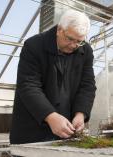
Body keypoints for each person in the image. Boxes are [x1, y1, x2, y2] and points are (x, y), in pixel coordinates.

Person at [10, 9, 96, 144]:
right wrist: (50, 116)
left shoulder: (85, 51)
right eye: (70, 39)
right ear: (59, 30)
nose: (74, 45)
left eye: (79, 41)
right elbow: (28, 85)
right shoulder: (33, 45)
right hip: (32, 132)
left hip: (67, 131)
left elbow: (87, 85)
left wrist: (81, 113)